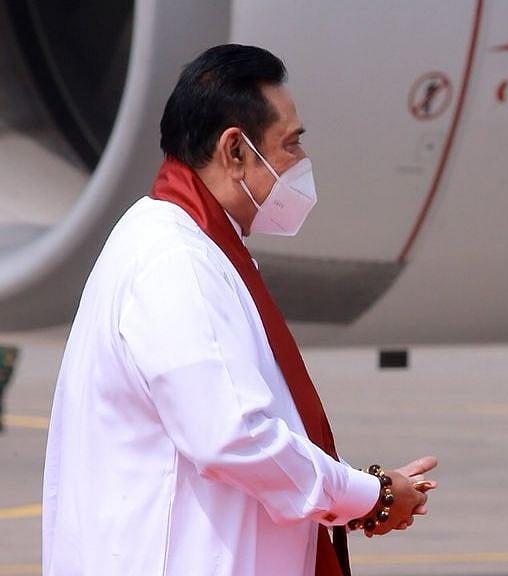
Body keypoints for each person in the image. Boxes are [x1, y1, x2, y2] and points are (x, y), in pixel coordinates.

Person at [42, 44, 436, 576]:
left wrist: (357, 495)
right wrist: (370, 495)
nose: (300, 164)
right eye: (290, 144)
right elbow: (234, 437)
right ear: (235, 150)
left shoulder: (187, 242)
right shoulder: (175, 259)